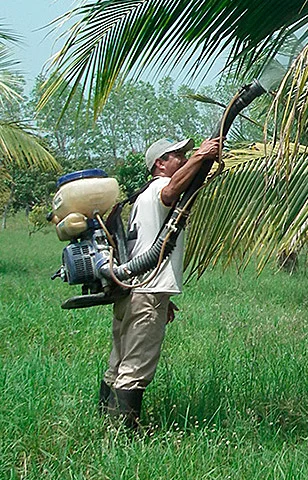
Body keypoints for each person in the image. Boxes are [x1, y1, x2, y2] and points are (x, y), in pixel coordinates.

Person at [99, 136, 223, 428]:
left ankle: (104, 420)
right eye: (176, 155)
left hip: (132, 289)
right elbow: (170, 191)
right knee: (136, 365)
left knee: (118, 362)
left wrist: (164, 298)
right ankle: (123, 434)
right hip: (146, 291)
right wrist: (200, 157)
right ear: (160, 163)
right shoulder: (157, 189)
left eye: (184, 153)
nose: (182, 157)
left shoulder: (141, 197)